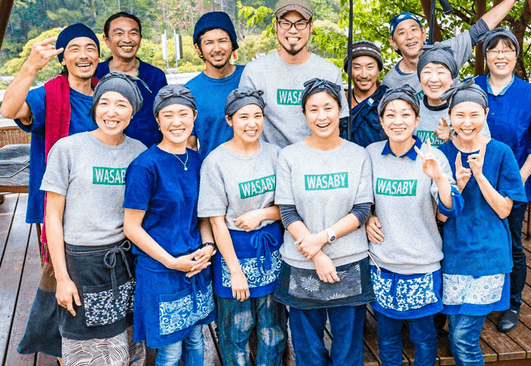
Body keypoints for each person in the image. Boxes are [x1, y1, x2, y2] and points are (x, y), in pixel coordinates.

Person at [1, 23, 101, 358]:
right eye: (74, 48)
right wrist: (30, 67)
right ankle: (61, 348)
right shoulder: (50, 95)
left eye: (90, 47)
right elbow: (9, 110)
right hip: (61, 208)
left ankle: (93, 342)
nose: (83, 55)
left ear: (99, 56)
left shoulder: (109, 93)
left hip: (102, 205)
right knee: (60, 278)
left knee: (95, 280)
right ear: (63, 58)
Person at [43, 72, 147, 366]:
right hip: (81, 263)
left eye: (121, 104)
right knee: (85, 347)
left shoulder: (138, 153)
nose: (111, 112)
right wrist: (62, 278)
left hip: (124, 262)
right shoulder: (67, 149)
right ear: (94, 106)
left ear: (133, 111)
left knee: (124, 343)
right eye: (104, 103)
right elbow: (52, 215)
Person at [274, 78, 374, 366]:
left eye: (328, 108)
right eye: (314, 109)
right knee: (307, 352)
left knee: (348, 350)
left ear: (339, 110)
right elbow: (287, 211)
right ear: (304, 114)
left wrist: (324, 237)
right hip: (302, 263)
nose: (322, 116)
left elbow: (362, 209)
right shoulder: (290, 156)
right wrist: (316, 254)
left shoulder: (358, 155)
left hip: (349, 262)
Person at [364, 85, 463, 366]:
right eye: (390, 115)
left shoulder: (432, 155)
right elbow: (359, 199)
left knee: (423, 335)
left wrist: (440, 178)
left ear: (417, 120)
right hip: (383, 262)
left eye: (406, 114)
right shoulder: (371, 154)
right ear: (381, 121)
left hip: (422, 262)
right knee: (387, 336)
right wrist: (368, 216)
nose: (398, 121)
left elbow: (450, 208)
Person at [123, 85, 216, 366]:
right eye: (168, 115)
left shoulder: (199, 160)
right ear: (158, 121)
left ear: (194, 116)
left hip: (196, 264)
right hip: (160, 269)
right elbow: (132, 227)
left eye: (183, 114)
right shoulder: (145, 166)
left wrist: (209, 246)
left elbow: (202, 216)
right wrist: (172, 262)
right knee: (171, 350)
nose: (177, 122)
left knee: (197, 339)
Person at [437, 81, 526, 366]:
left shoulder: (501, 153)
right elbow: (440, 214)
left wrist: (480, 176)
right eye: (460, 115)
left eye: (474, 115)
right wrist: (459, 185)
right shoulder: (440, 154)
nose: (467, 122)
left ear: (486, 114)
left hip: (490, 257)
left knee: (464, 336)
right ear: (450, 116)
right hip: (453, 255)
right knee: (455, 335)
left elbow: (504, 210)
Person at [471, 27, 531, 332]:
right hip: (476, 182)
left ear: (516, 56)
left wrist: (517, 179)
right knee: (478, 239)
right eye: (494, 50)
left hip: (516, 183)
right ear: (485, 56)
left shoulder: (530, 93)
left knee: (511, 243)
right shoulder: (473, 86)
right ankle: (480, 299)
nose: (500, 55)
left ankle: (511, 303)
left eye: (507, 50)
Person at [198, 88, 286, 366]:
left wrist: (261, 214)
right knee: (236, 328)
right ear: (229, 120)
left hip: (272, 250)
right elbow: (215, 220)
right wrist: (235, 271)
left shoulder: (276, 155)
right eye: (243, 116)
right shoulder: (216, 161)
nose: (252, 123)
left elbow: (289, 207)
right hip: (233, 252)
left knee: (273, 330)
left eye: (257, 115)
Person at [382, 0, 525, 93]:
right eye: (402, 33)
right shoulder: (391, 82)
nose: (410, 36)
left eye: (414, 29)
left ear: (423, 32)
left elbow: (481, 28)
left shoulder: (445, 52)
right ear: (393, 43)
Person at [239, 0, 349, 148]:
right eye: (285, 23)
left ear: (311, 27)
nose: (292, 30)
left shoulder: (328, 71)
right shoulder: (255, 71)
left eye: (300, 23)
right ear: (276, 26)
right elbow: (243, 125)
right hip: (271, 164)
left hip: (315, 161)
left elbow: (338, 126)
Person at [96, 12, 168, 147]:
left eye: (133, 33)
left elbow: (164, 118)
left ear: (140, 38)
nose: (127, 39)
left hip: (145, 156)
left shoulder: (155, 76)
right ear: (106, 40)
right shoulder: (95, 75)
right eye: (119, 33)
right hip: (104, 156)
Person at [185, 11, 245, 157]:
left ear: (232, 43)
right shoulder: (189, 92)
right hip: (213, 174)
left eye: (222, 41)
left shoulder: (250, 76)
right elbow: (189, 146)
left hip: (255, 172)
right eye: (208, 43)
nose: (217, 49)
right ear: (198, 48)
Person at [414, 45, 489, 146]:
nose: (434, 79)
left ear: (451, 79)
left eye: (441, 72)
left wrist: (452, 137)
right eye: (427, 72)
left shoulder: (469, 108)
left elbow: (486, 150)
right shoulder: (411, 111)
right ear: (420, 78)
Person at [344, 41, 388, 147]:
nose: (364, 75)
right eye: (357, 68)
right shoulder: (341, 102)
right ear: (348, 71)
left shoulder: (388, 101)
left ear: (378, 70)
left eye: (370, 67)